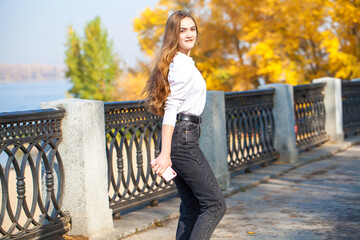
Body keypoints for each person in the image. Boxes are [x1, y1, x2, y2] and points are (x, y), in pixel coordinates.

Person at [142, 10, 226, 240]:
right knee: (215, 205)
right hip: (183, 139)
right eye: (183, 30)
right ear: (173, 35)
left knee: (191, 205)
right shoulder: (182, 65)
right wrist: (165, 153)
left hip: (183, 137)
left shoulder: (181, 62)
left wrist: (169, 150)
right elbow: (171, 108)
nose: (189, 34)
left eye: (192, 29)